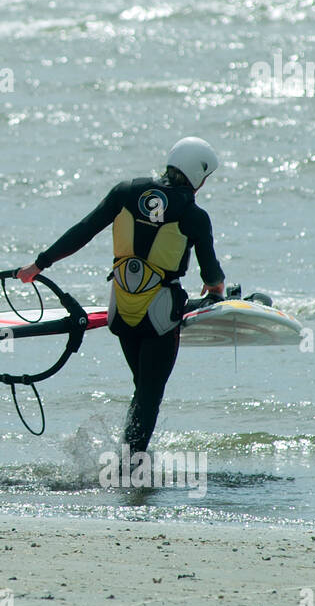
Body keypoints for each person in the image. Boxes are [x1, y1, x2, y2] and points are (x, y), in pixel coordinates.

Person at [17, 138, 225, 457]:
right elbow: (210, 271)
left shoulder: (125, 191)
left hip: (121, 309)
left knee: (141, 388)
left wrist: (38, 264)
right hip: (160, 315)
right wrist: (216, 290)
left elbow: (83, 230)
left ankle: (127, 458)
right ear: (199, 175)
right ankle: (132, 469)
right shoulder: (194, 215)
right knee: (149, 395)